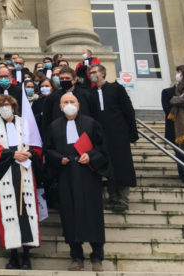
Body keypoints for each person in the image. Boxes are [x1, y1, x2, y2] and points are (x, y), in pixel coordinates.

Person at [44, 93, 111, 272]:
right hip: (66, 176)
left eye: (72, 101)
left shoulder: (91, 123)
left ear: (78, 105)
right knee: (70, 214)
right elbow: (48, 149)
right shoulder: (54, 126)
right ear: (60, 107)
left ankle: (97, 255)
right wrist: (59, 158)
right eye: (65, 102)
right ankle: (76, 256)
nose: (69, 104)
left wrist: (91, 156)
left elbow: (103, 148)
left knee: (93, 214)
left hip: (88, 176)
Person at [0, 94, 41, 270]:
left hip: (25, 170)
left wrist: (29, 153)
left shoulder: (25, 122)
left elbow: (36, 144)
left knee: (26, 212)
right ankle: (13, 255)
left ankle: (27, 255)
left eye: (7, 105)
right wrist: (12, 154)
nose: (5, 108)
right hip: (5, 172)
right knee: (9, 213)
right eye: (1, 105)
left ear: (14, 106)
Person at [88, 64, 138, 211]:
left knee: (121, 164)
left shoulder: (116, 89)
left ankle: (122, 197)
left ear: (103, 73)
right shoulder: (89, 93)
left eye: (95, 72)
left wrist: (132, 132)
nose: (92, 74)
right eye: (90, 72)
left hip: (118, 134)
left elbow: (128, 111)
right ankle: (112, 197)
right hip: (100, 136)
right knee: (107, 165)